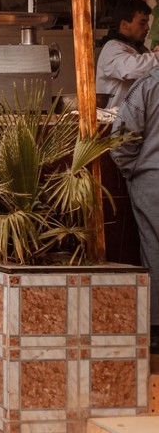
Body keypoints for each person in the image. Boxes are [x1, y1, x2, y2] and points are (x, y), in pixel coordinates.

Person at [110, 66, 159, 354]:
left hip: (153, 181)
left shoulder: (150, 84)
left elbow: (122, 138)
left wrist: (134, 171)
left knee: (154, 251)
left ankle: (154, 331)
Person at [96, 0, 159, 109]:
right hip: (114, 121)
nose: (147, 28)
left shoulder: (138, 48)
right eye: (142, 23)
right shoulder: (111, 48)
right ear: (124, 25)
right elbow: (132, 68)